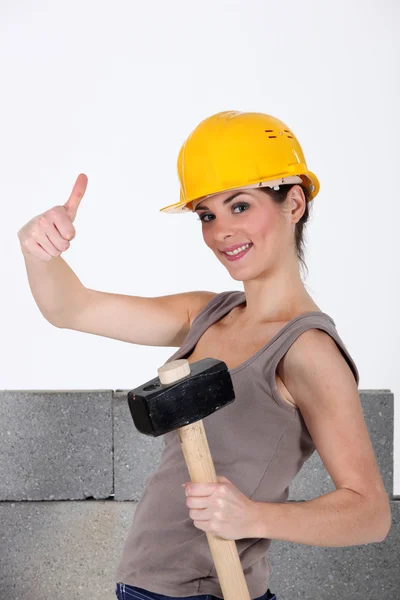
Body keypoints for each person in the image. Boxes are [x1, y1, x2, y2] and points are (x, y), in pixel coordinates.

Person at [18, 111, 391, 600]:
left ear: (294, 201)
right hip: (143, 586)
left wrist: (254, 517)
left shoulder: (307, 350)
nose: (220, 232)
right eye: (207, 215)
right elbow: (73, 308)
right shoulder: (207, 314)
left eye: (240, 206)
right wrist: (40, 252)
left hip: (209, 592)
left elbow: (370, 513)